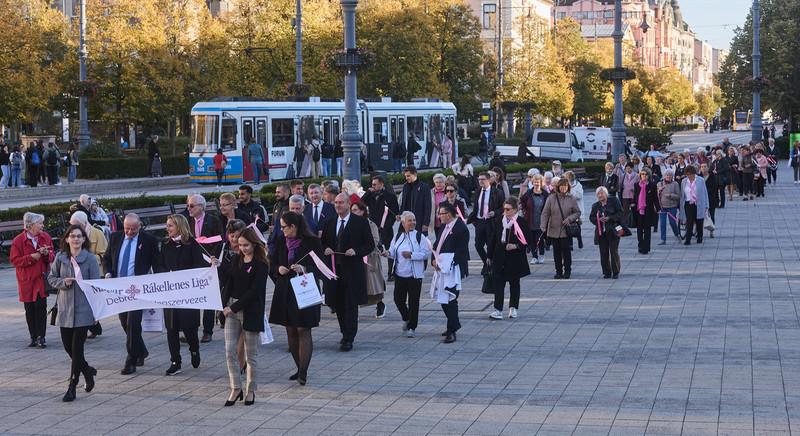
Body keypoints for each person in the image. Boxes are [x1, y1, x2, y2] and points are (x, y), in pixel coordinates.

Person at [48, 224, 100, 402]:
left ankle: (72, 385)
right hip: (65, 309)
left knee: (77, 350)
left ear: (84, 239)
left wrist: (96, 312)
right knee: (68, 348)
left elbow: (96, 286)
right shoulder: (61, 257)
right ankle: (87, 371)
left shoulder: (91, 259)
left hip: (84, 311)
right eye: (73, 236)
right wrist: (64, 282)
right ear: (67, 239)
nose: (76, 239)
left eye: (79, 236)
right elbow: (51, 278)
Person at [268, 212, 322, 385]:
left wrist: (304, 268)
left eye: (284, 227)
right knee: (290, 329)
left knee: (303, 329)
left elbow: (322, 266)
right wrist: (278, 269)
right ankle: (299, 368)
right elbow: (272, 262)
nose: (281, 230)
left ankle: (303, 373)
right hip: (285, 289)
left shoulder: (312, 242)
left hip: (305, 289)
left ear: (294, 226)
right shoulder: (280, 242)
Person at [102, 213, 159, 374]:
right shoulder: (115, 237)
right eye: (127, 228)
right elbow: (107, 259)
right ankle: (141, 350)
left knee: (133, 324)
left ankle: (131, 360)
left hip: (137, 289)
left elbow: (157, 263)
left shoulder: (148, 240)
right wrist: (107, 274)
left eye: (133, 229)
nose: (129, 232)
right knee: (124, 322)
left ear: (139, 226)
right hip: (119, 288)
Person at [321, 194, 375, 351]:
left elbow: (369, 244)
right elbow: (323, 241)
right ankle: (344, 332)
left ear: (348, 204)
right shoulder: (330, 222)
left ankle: (349, 337)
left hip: (352, 270)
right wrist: (326, 248)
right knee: (338, 303)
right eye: (336, 203)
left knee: (350, 304)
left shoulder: (360, 222)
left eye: (341, 202)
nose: (338, 205)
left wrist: (356, 251)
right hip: (334, 270)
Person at [220, 227, 267, 405]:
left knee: (251, 354)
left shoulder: (261, 264)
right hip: (232, 308)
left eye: (246, 245)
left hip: (250, 310)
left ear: (254, 245)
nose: (243, 249)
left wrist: (234, 307)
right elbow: (228, 283)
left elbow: (255, 291)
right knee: (229, 350)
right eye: (240, 245)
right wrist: (224, 305)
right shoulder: (235, 260)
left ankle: (251, 389)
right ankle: (235, 387)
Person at [158, 214, 208, 375]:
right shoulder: (165, 245)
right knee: (171, 328)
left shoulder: (192, 244)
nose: (167, 228)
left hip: (187, 292)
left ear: (179, 226)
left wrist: (183, 275)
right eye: (167, 225)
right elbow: (161, 266)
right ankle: (175, 361)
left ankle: (194, 349)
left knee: (189, 327)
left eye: (170, 225)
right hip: (171, 293)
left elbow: (199, 265)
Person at [10, 212, 55, 348]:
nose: (42, 225)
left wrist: (48, 254)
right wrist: (31, 257)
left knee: (41, 307)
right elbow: (14, 260)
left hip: (41, 279)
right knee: (29, 309)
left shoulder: (45, 237)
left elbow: (52, 255)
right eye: (40, 223)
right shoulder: (18, 240)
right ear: (30, 225)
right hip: (27, 280)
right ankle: (33, 336)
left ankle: (42, 337)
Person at [385, 212, 431, 338]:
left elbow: (426, 253)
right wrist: (386, 253)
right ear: (403, 222)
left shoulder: (420, 236)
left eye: (414, 220)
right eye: (410, 220)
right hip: (400, 274)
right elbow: (392, 252)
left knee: (413, 302)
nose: (413, 223)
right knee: (397, 299)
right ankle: (406, 318)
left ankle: (412, 327)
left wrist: (411, 255)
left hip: (414, 276)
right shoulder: (398, 235)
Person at [186, 194, 223, 342]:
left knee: (209, 297)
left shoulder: (213, 220)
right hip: (192, 263)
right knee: (193, 297)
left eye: (192, 206)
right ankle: (192, 329)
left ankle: (208, 331)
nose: (189, 208)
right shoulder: (187, 221)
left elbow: (220, 239)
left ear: (201, 206)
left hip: (209, 261)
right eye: (188, 205)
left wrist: (205, 241)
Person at [431, 202, 469, 344]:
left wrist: (447, 264)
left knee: (451, 299)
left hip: (453, 269)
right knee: (443, 298)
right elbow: (437, 244)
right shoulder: (443, 226)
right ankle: (453, 324)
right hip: (441, 267)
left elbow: (462, 251)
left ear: (448, 214)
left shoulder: (461, 228)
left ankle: (452, 330)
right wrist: (433, 260)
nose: (439, 216)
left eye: (440, 213)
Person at [487, 197, 529, 320]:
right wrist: (489, 255)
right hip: (500, 255)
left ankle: (513, 308)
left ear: (515, 210)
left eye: (508, 209)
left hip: (515, 257)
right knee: (499, 283)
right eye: (504, 209)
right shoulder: (499, 221)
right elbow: (493, 239)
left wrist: (516, 245)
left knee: (514, 283)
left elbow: (527, 240)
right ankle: (498, 309)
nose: (505, 211)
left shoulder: (521, 222)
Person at [350, 201, 386, 319]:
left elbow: (375, 241)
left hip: (370, 258)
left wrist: (361, 248)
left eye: (356, 210)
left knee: (374, 285)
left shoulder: (370, 224)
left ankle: (380, 304)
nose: (353, 212)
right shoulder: (350, 224)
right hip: (355, 258)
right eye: (352, 210)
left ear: (362, 211)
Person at [360, 175, 400, 278]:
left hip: (386, 227)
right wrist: (368, 192)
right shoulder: (371, 196)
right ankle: (373, 272)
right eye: (372, 184)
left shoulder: (390, 196)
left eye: (375, 184)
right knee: (373, 250)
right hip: (373, 227)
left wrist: (387, 225)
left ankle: (391, 272)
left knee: (389, 249)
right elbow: (360, 203)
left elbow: (395, 213)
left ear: (381, 184)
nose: (373, 186)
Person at [541, 178, 580, 279]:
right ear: (558, 187)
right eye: (562, 186)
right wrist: (543, 225)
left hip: (566, 229)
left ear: (568, 187)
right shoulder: (551, 198)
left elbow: (577, 212)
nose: (563, 188)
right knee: (556, 252)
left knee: (566, 251)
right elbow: (545, 213)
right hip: (554, 228)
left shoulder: (572, 198)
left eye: (566, 186)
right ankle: (558, 271)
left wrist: (569, 219)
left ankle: (567, 270)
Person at [468, 172, 504, 268]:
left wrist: (495, 212)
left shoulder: (497, 192)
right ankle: (486, 263)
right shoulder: (478, 191)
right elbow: (475, 207)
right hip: (479, 222)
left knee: (490, 245)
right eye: (479, 179)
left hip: (491, 222)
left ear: (489, 180)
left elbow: (503, 208)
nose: (480, 181)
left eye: (483, 179)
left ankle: (490, 264)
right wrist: (470, 219)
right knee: (478, 245)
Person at [589, 187, 624, 279]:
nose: (600, 195)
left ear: (606, 194)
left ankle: (615, 271)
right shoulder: (595, 206)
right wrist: (598, 220)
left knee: (613, 251)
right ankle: (606, 272)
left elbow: (620, 213)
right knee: (603, 253)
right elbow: (591, 218)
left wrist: (610, 218)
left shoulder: (613, 201)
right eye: (598, 194)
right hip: (601, 232)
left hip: (614, 230)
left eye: (602, 193)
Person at [679, 165, 710, 246]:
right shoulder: (684, 181)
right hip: (688, 203)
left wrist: (707, 205)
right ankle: (688, 239)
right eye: (687, 174)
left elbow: (705, 192)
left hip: (698, 203)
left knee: (699, 221)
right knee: (689, 221)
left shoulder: (700, 180)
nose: (689, 176)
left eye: (690, 174)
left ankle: (700, 237)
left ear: (694, 173)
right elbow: (682, 194)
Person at [520, 173, 547, 265]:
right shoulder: (529, 193)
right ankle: (534, 256)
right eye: (535, 182)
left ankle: (542, 255)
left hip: (541, 220)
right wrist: (523, 209)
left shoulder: (545, 194)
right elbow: (522, 200)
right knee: (532, 239)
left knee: (540, 239)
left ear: (541, 183)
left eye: (538, 182)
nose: (536, 183)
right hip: (530, 220)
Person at [398, 166, 432, 234]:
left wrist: (426, 223)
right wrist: (400, 215)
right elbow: (403, 204)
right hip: (406, 222)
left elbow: (428, 207)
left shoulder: (424, 187)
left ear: (415, 174)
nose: (406, 178)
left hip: (419, 221)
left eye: (408, 176)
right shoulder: (405, 186)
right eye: (405, 176)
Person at [633, 168, 659, 254]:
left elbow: (655, 198)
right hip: (639, 210)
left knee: (647, 229)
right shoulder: (636, 185)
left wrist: (658, 208)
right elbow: (635, 197)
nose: (644, 176)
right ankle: (640, 245)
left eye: (645, 174)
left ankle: (646, 247)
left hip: (648, 210)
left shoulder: (652, 185)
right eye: (642, 174)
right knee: (639, 230)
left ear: (649, 175)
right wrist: (632, 203)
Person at [656, 169, 681, 245]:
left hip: (672, 206)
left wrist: (670, 195)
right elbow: (655, 196)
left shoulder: (675, 184)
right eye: (667, 175)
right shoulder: (659, 184)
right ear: (664, 176)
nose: (668, 176)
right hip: (662, 206)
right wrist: (658, 191)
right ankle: (663, 239)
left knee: (672, 222)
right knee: (662, 223)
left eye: (670, 175)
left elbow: (678, 196)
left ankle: (677, 234)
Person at [564, 171, 584, 249]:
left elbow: (579, 196)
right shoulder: (565, 185)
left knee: (577, 226)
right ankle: (570, 244)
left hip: (576, 209)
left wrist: (570, 191)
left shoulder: (578, 185)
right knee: (568, 226)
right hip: (568, 209)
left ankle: (579, 240)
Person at [701, 163, 718, 238]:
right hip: (701, 199)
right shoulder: (698, 176)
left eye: (705, 166)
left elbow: (714, 188)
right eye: (702, 167)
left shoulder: (712, 176)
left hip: (711, 198)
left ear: (708, 168)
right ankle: (699, 231)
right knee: (700, 216)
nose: (703, 168)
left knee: (711, 215)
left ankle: (712, 231)